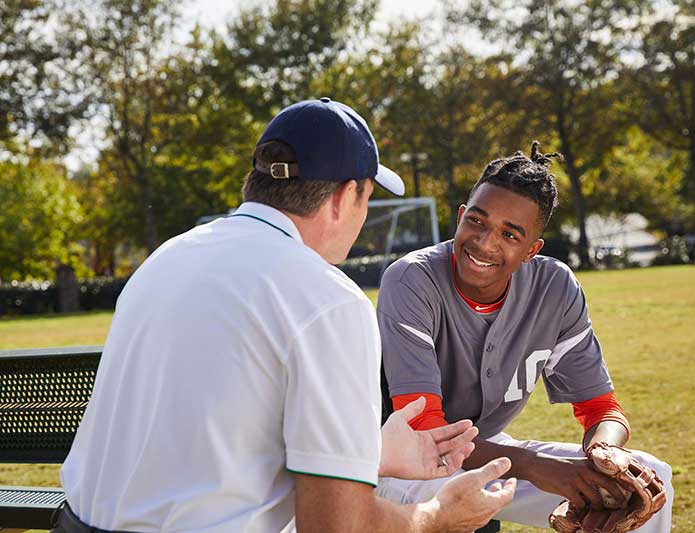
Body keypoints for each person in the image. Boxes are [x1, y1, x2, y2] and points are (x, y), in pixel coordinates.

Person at [55, 98, 516, 533]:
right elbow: (336, 526)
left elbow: (205, 447)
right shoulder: (329, 299)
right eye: (367, 198)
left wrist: (368, 452)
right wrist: (438, 515)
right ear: (343, 197)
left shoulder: (168, 257)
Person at [376, 142, 675, 530]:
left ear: (532, 249)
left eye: (510, 234)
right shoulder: (412, 279)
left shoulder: (554, 287)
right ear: (461, 217)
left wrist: (605, 456)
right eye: (477, 222)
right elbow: (429, 434)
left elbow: (602, 409)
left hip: (489, 454)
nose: (485, 243)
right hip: (401, 466)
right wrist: (537, 468)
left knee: (646, 477)